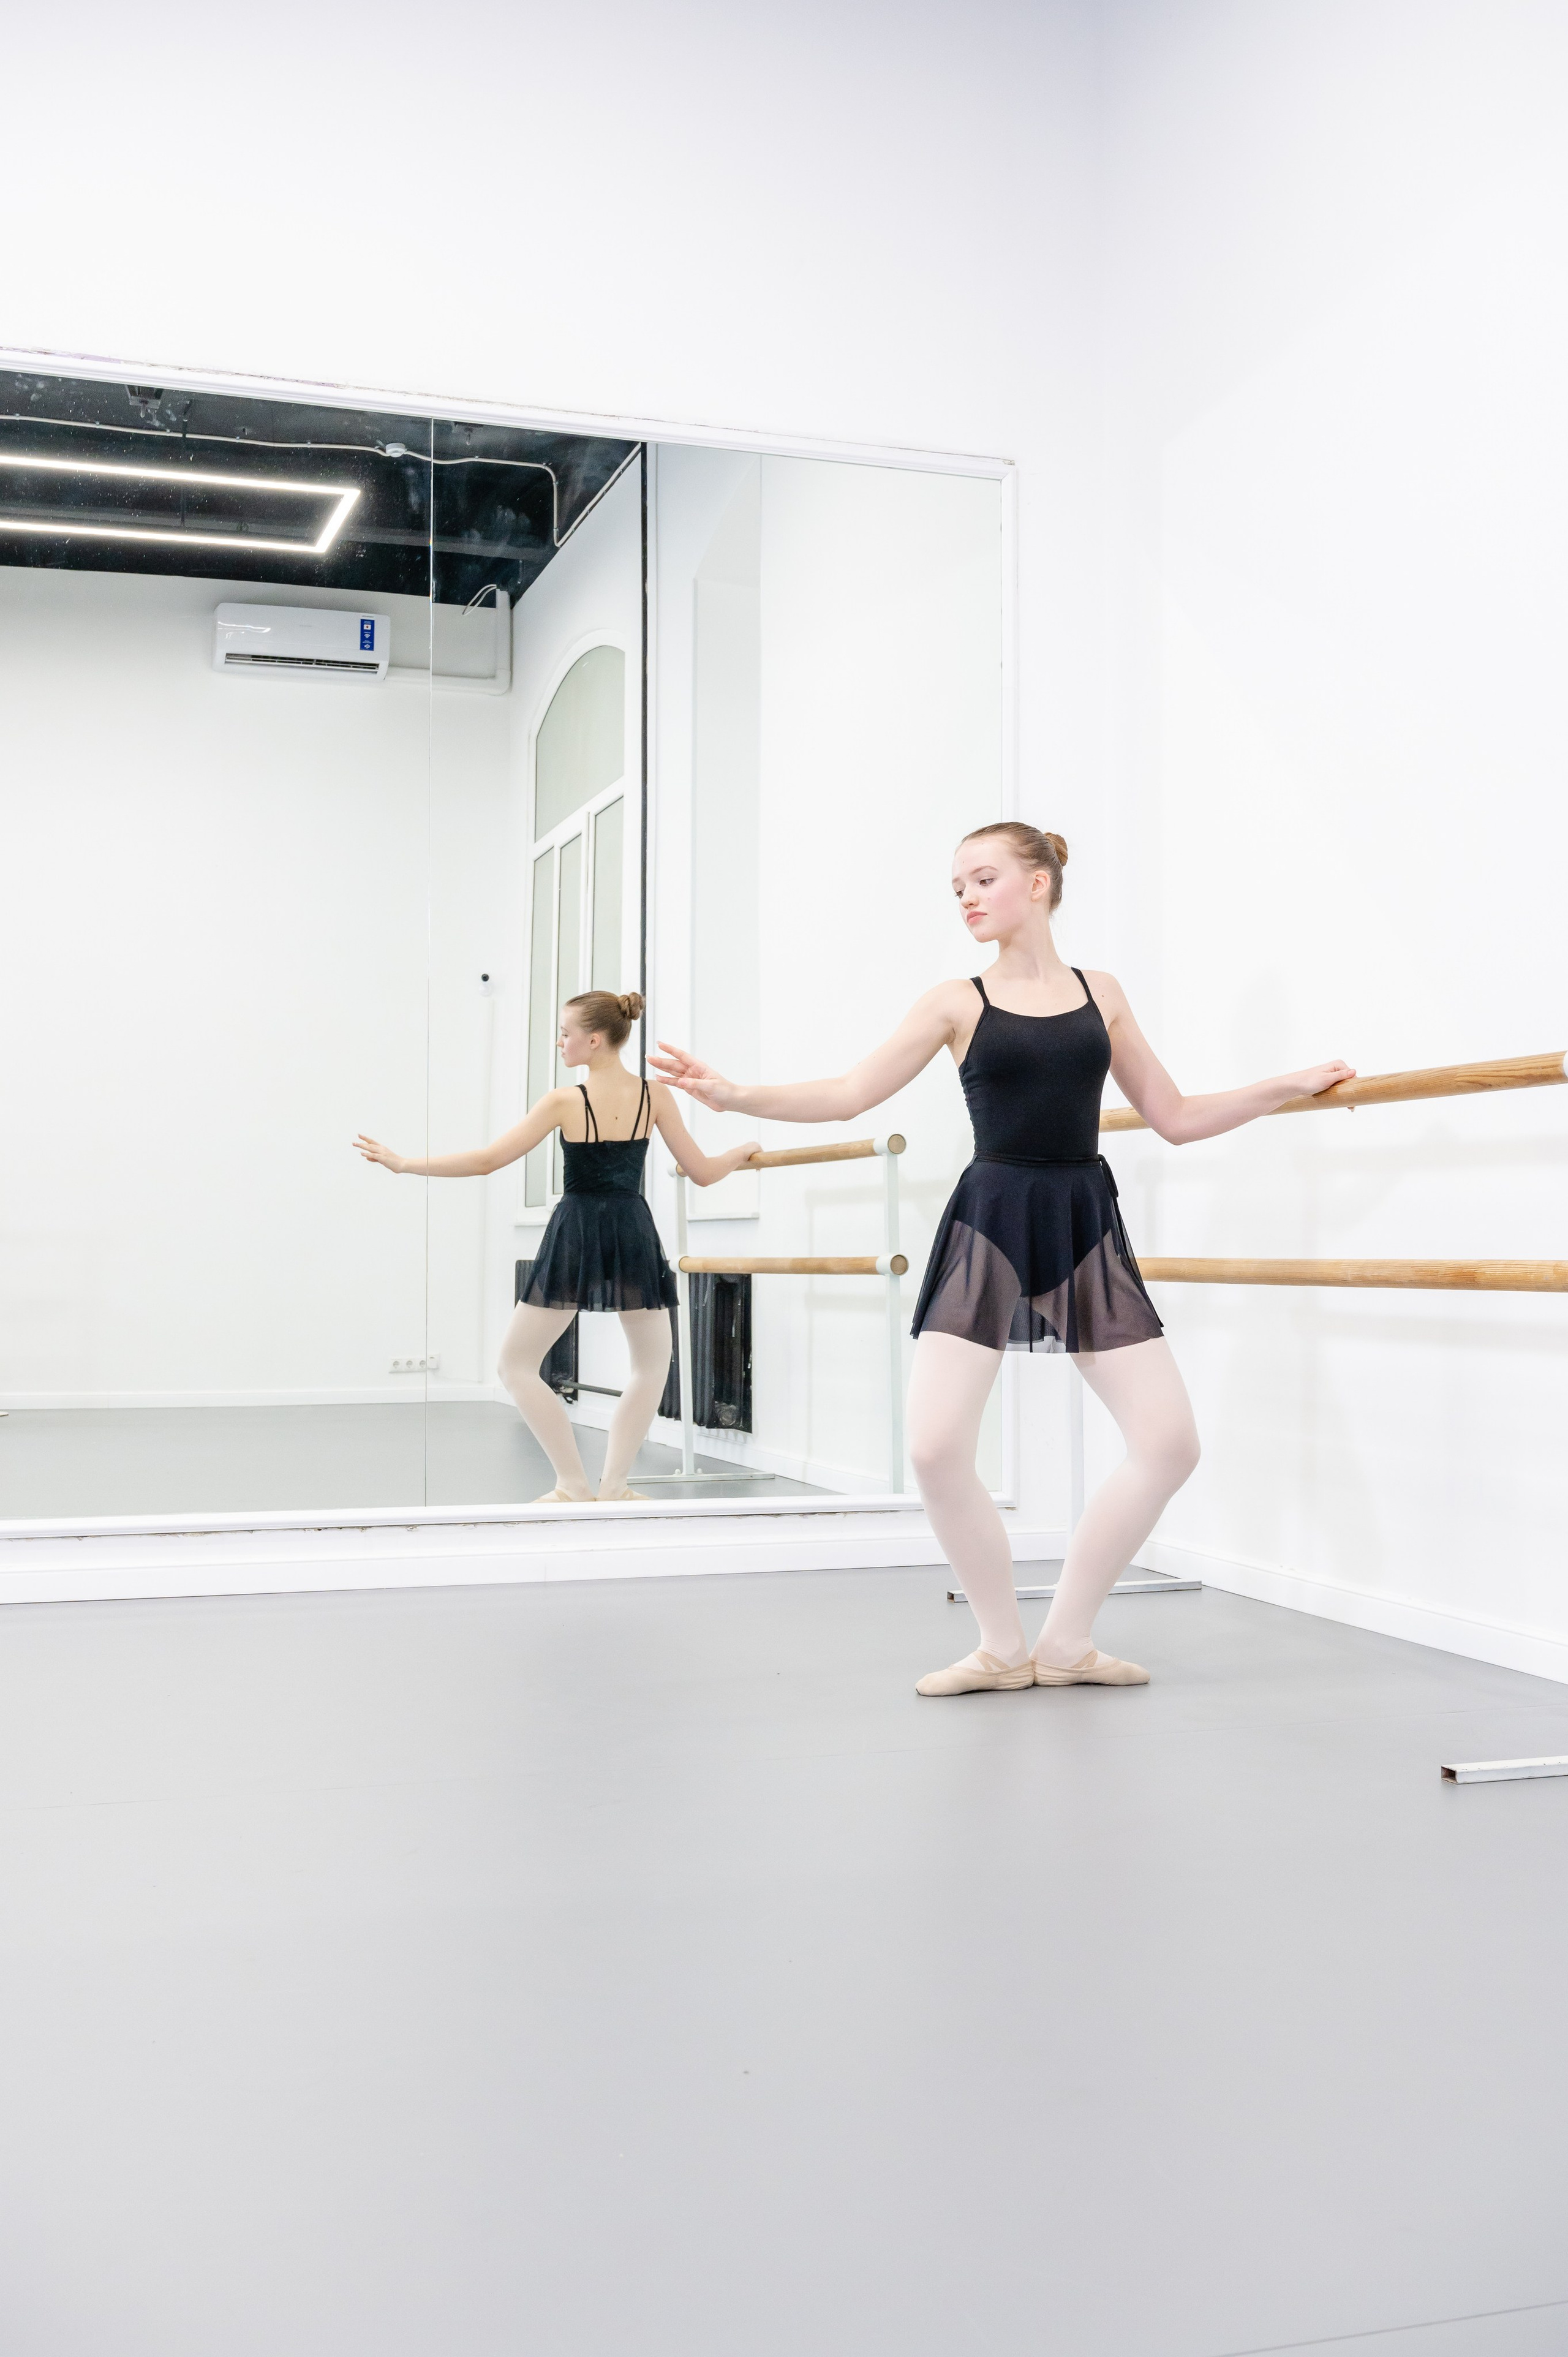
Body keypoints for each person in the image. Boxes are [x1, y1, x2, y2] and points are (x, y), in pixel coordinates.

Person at [651, 823, 1352, 1694]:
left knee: (1168, 1442)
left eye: (984, 879)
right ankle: (998, 1645)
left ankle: (1065, 1642)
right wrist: (731, 1094)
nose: (968, 898)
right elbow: (847, 1095)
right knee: (938, 1448)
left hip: (1081, 1220)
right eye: (958, 887)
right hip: (991, 1222)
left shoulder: (1104, 993)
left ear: (1042, 883)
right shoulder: (957, 1001)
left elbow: (1172, 1116)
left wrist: (1285, 1085)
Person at [356, 989, 758, 1504]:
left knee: (515, 1365)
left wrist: (406, 1163)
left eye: (566, 1033)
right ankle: (614, 1485)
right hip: (632, 1229)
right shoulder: (657, 1097)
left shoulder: (565, 1100)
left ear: (594, 1040)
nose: (560, 1042)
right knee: (653, 1364)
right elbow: (702, 1172)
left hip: (577, 1229)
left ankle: (573, 1483)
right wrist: (740, 1152)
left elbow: (487, 1160)